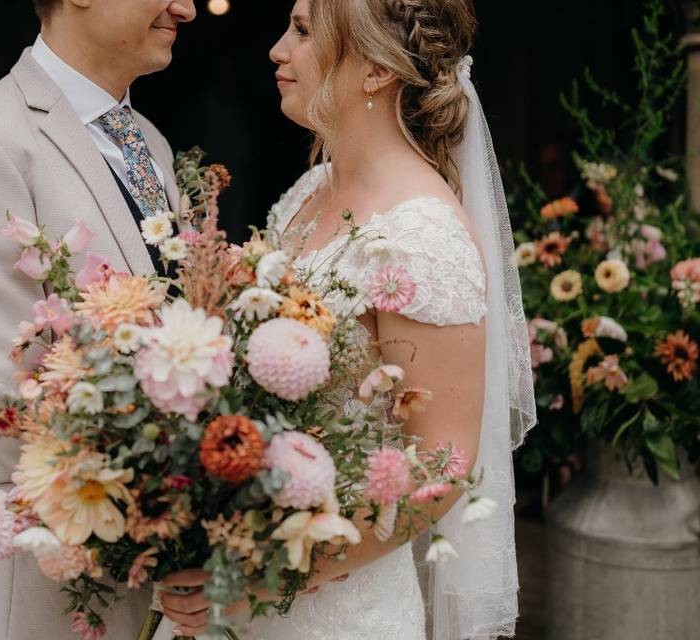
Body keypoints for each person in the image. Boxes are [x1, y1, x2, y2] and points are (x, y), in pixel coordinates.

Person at [158, 1, 536, 638]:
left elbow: (440, 465)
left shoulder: (422, 236)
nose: (278, 50)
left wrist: (267, 582)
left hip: (331, 605)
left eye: (304, 31)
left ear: (376, 72)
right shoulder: (311, 191)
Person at [0, 2, 196, 639]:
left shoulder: (148, 139)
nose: (187, 6)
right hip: (51, 592)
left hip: (167, 582)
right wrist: (187, 518)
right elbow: (4, 399)